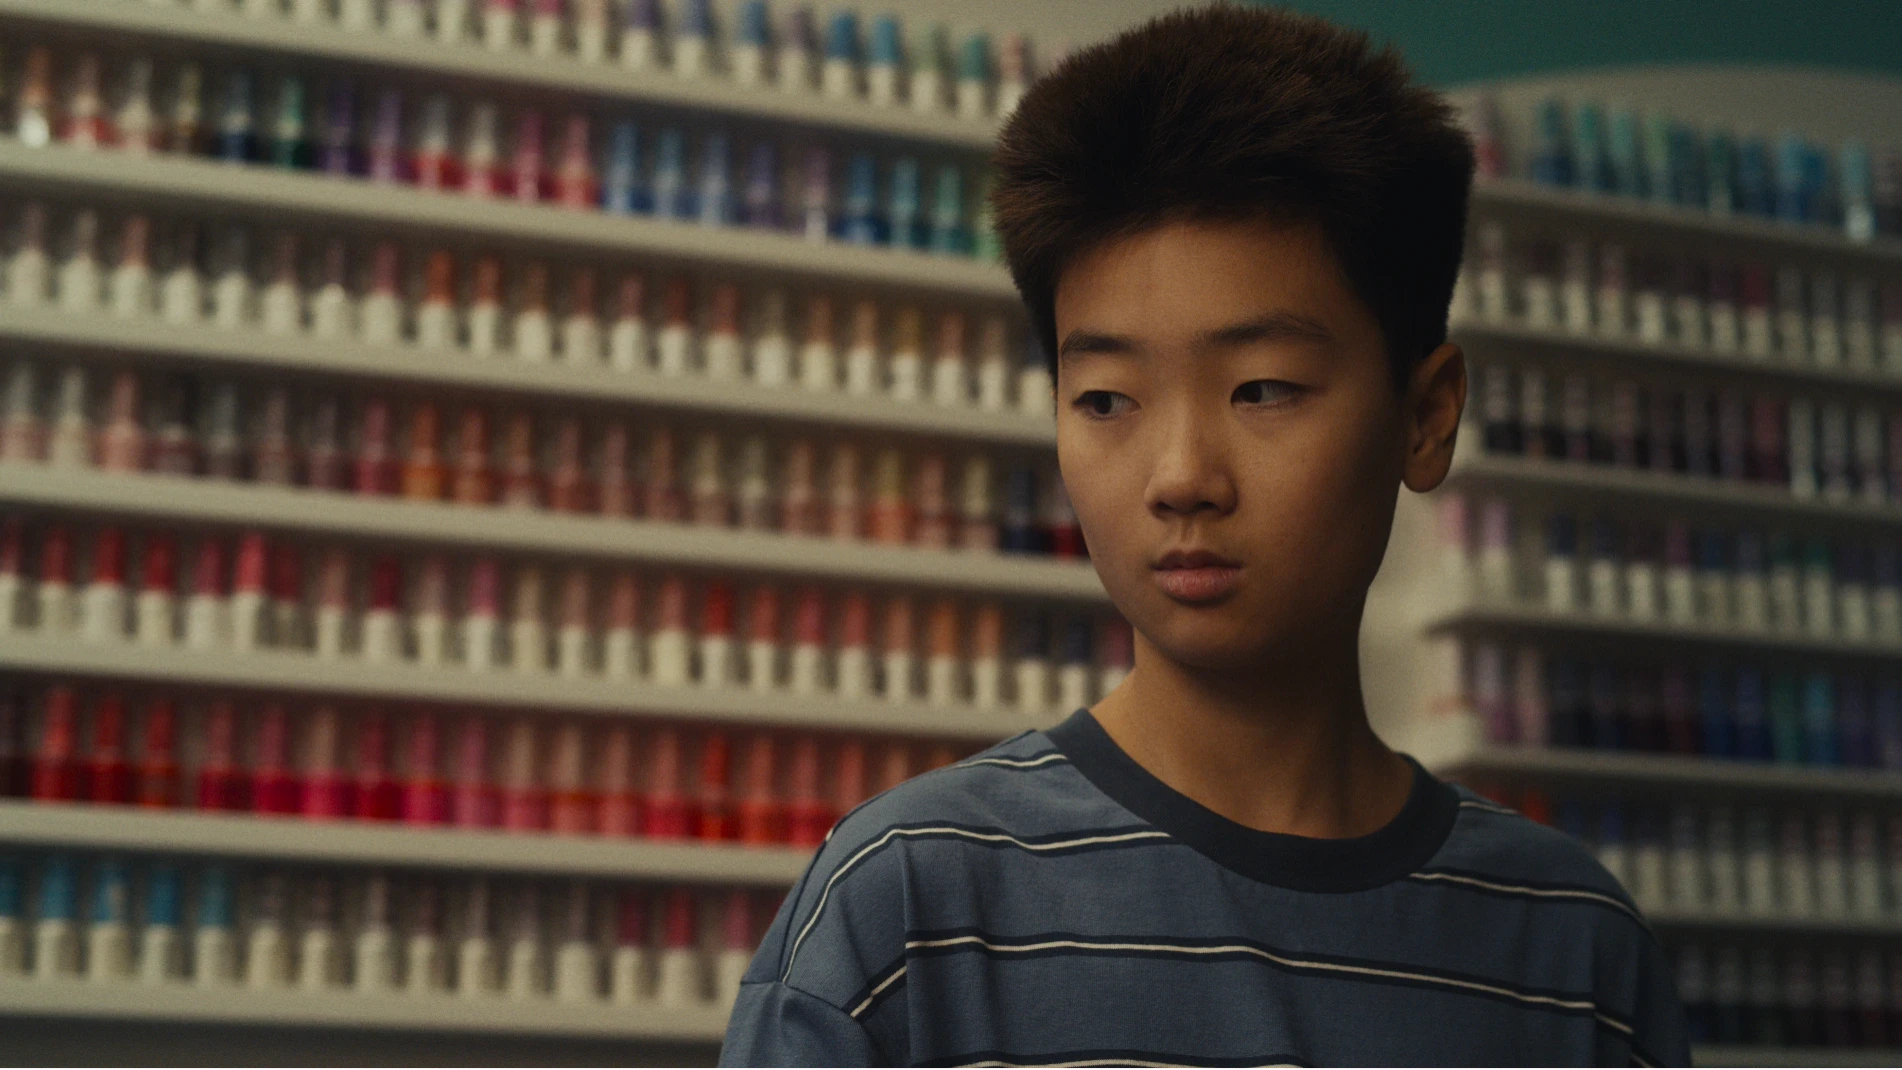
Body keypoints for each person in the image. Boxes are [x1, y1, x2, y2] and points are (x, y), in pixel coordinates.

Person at [719, 6, 1689, 1067]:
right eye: (1104, 398)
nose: (1181, 475)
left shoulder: (1576, 950)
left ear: (1426, 415)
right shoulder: (906, 910)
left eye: (1262, 387)